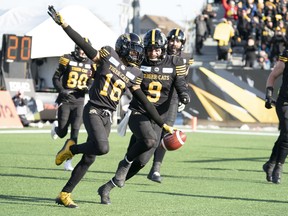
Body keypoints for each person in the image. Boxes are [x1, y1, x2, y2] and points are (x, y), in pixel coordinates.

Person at [47, 6, 175, 208]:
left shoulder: (135, 73)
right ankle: (72, 148)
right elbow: (83, 44)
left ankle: (64, 194)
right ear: (123, 48)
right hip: (93, 109)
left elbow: (143, 100)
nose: (136, 54)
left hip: (108, 116)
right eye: (133, 50)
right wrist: (65, 25)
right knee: (102, 147)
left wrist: (163, 124)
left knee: (90, 158)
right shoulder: (109, 55)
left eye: (137, 51)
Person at [97, 28, 190, 205]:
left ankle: (107, 187)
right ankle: (123, 163)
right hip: (138, 111)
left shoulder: (175, 62)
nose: (153, 53)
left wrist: (185, 95)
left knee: (142, 161)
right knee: (149, 141)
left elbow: (180, 83)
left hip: (158, 117)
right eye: (149, 49)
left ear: (162, 49)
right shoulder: (139, 63)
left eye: (156, 49)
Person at [147, 28, 193, 183]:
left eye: (178, 40)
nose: (174, 43)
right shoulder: (161, 55)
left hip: (172, 99)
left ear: (183, 43)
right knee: (148, 133)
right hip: (155, 97)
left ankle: (156, 169)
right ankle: (134, 161)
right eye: (172, 40)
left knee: (166, 135)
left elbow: (185, 80)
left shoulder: (186, 58)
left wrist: (182, 96)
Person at [50, 38, 95, 171]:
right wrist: (61, 91)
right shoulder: (67, 59)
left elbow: (91, 80)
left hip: (79, 100)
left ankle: (68, 161)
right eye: (81, 48)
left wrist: (88, 87)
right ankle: (56, 128)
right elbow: (56, 77)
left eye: (85, 48)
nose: (83, 51)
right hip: (66, 98)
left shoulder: (91, 63)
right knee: (63, 132)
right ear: (77, 48)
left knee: (75, 132)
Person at [263, 49, 288, 184]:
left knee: (284, 134)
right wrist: (269, 94)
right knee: (287, 134)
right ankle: (278, 167)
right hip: (285, 101)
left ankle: (270, 164)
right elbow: (273, 75)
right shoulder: (287, 54)